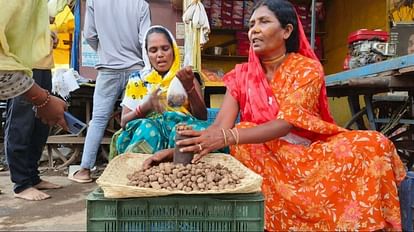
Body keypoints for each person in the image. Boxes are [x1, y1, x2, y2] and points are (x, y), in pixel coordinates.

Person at [143, 0, 406, 230]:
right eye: (251, 24)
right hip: (263, 153)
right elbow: (221, 128)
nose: (253, 30)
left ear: (287, 31)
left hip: (306, 152)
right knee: (244, 143)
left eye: (263, 22)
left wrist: (230, 135)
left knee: (375, 144)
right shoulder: (241, 75)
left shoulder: (307, 68)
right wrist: (178, 149)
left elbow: (285, 124)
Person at [70, 0, 151, 183]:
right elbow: (145, 39)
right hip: (136, 70)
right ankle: (134, 170)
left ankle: (84, 170)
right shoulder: (141, 4)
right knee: (135, 119)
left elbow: (90, 34)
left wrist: (105, 51)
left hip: (107, 69)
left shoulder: (94, 1)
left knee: (98, 120)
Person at [114, 25, 208, 158]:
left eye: (165, 48)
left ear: (173, 50)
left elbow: (202, 117)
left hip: (179, 133)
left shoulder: (186, 77)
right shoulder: (138, 80)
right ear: (146, 54)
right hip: (149, 136)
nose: (160, 55)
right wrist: (146, 107)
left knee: (185, 132)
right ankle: (142, 172)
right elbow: (124, 122)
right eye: (153, 50)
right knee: (148, 129)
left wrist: (190, 88)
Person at [0, 0, 68, 128]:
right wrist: (43, 100)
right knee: (20, 129)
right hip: (25, 70)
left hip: (35, 70)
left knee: (36, 132)